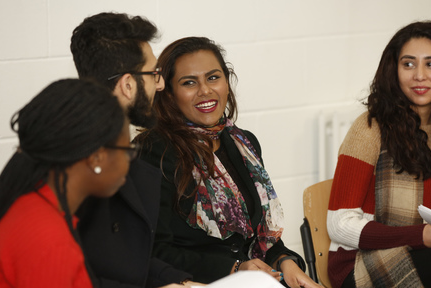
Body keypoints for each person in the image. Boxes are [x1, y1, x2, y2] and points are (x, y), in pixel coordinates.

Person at [134, 36, 322, 288]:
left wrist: (285, 262)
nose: (205, 90)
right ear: (168, 93)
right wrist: (234, 269)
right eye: (189, 82)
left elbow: (260, 237)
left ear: (227, 81)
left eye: (213, 77)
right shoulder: (155, 151)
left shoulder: (244, 145)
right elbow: (153, 252)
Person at [327, 20, 431, 288]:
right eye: (408, 64)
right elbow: (339, 224)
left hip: (429, 257)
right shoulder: (369, 128)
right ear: (393, 71)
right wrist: (422, 236)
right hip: (362, 265)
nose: (419, 75)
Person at [70, 12, 200, 287]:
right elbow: (71, 274)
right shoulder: (79, 167)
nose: (161, 84)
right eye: (154, 74)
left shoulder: (112, 152)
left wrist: (180, 282)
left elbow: (128, 258)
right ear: (128, 85)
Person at [0, 79, 128, 287]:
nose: (128, 163)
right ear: (96, 158)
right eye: (127, 152)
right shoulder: (48, 240)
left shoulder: (32, 205)